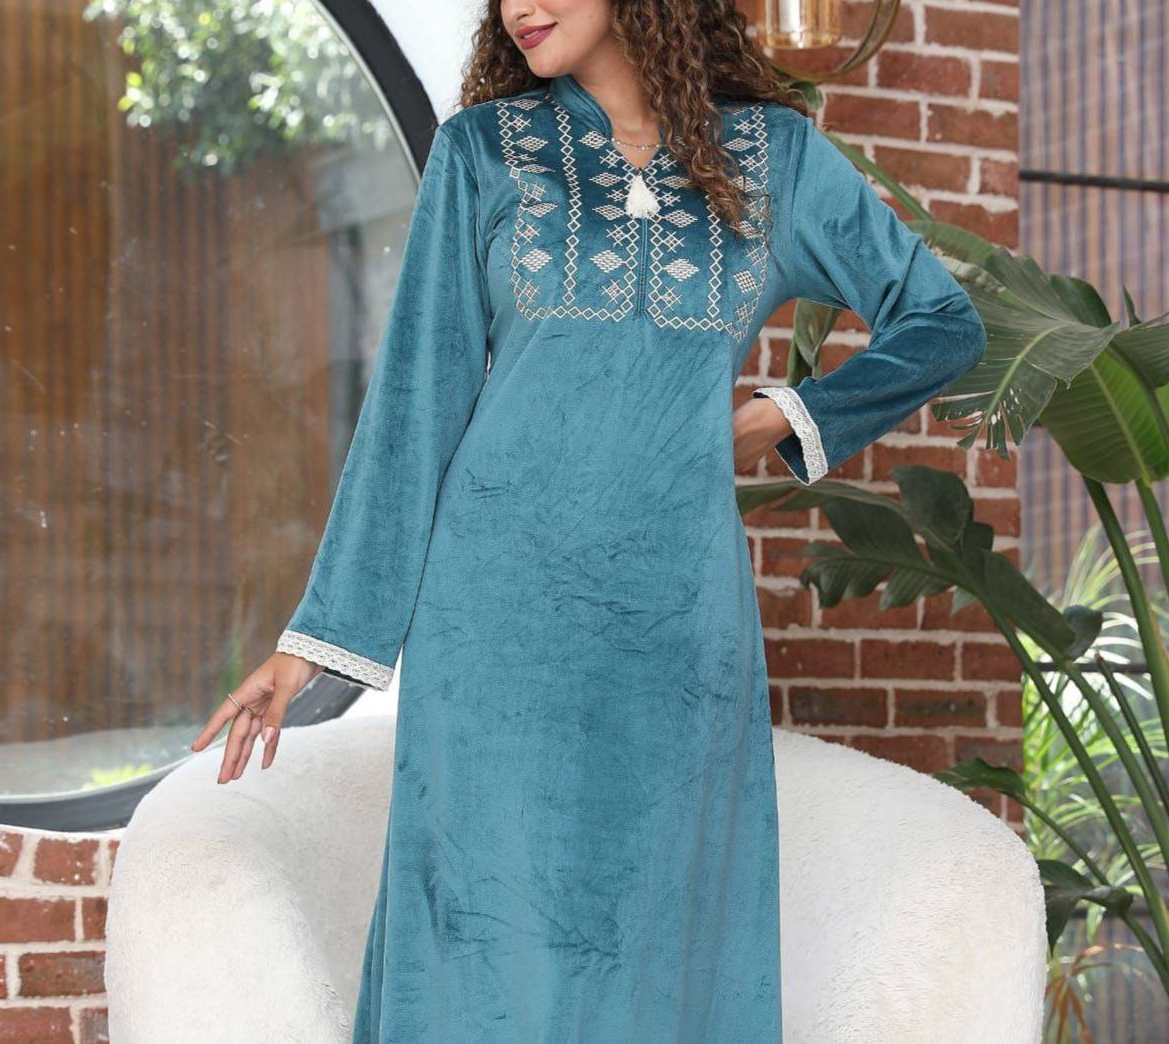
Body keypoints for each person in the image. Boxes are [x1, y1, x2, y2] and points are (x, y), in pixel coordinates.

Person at [190, 0, 987, 1039]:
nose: (517, 7)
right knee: (485, 943)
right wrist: (313, 645)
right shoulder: (484, 152)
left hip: (674, 631)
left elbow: (942, 322)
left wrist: (778, 419)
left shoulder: (773, 160)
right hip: (493, 630)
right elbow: (415, 404)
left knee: (660, 940)